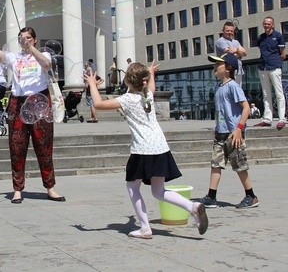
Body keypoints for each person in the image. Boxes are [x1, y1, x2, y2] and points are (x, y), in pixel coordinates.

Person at [83, 62, 208, 238]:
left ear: (127, 81)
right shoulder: (147, 94)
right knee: (159, 191)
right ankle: (192, 207)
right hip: (160, 147)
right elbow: (151, 85)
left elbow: (98, 104)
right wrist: (150, 73)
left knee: (132, 187)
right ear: (144, 81)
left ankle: (145, 227)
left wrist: (92, 84)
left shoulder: (127, 99)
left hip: (142, 149)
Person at [0, 26, 66, 204]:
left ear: (35, 40)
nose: (25, 40)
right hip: (18, 101)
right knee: (17, 147)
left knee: (44, 145)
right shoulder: (13, 57)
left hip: (39, 101)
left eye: (29, 38)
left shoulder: (43, 55)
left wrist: (30, 48)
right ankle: (17, 189)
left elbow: (47, 65)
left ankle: (50, 187)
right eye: (22, 38)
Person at [200, 53, 259, 209]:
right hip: (220, 133)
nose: (214, 67)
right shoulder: (218, 86)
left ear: (228, 68)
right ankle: (211, 196)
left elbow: (246, 107)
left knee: (239, 165)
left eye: (218, 64)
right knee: (216, 164)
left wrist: (239, 128)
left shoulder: (233, 86)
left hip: (234, 134)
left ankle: (251, 196)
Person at [255, 16, 287, 130]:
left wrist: (276, 61)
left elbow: (283, 54)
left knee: (279, 93)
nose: (266, 25)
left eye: (269, 24)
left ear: (273, 25)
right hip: (262, 67)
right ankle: (267, 119)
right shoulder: (260, 38)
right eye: (265, 23)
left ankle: (282, 118)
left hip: (274, 66)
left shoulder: (278, 36)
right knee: (266, 94)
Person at [215, 21, 247, 85]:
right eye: (227, 30)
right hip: (227, 71)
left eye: (231, 31)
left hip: (238, 70)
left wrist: (236, 50)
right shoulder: (220, 41)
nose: (229, 32)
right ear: (223, 31)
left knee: (238, 90)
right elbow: (230, 53)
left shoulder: (236, 42)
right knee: (229, 90)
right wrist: (239, 52)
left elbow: (245, 53)